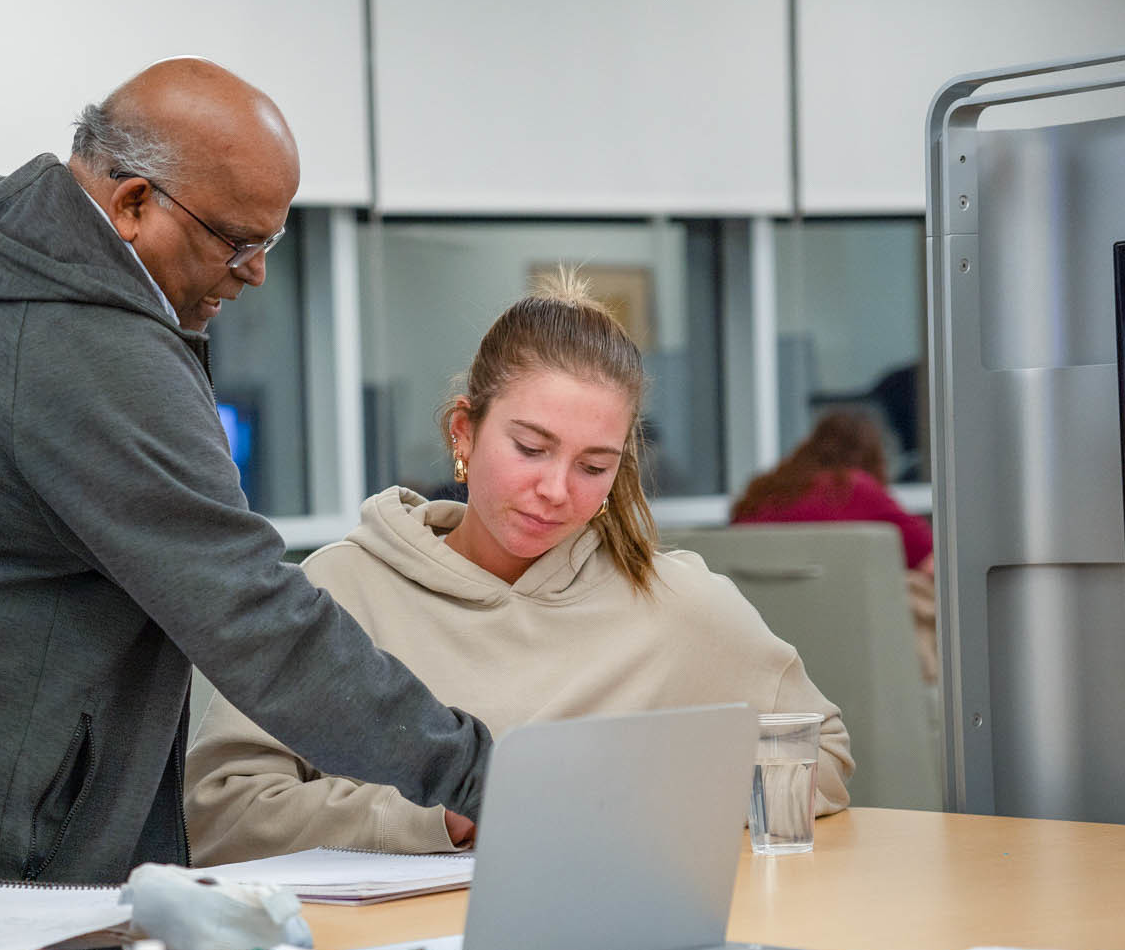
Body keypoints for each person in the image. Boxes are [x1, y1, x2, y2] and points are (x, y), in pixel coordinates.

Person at [0, 57, 491, 898]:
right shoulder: (81, 344)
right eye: (237, 242)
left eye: (271, 242)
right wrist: (481, 777)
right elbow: (253, 617)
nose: (256, 272)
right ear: (134, 203)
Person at [187, 275, 852, 869]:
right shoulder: (341, 589)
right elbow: (219, 814)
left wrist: (640, 799)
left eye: (593, 466)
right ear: (464, 432)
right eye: (531, 448)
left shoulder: (678, 602)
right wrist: (435, 819)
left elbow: (818, 755)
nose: (556, 490)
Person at [731, 409, 938, 682]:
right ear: (873, 456)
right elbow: (934, 564)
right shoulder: (856, 489)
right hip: (848, 650)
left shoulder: (761, 493)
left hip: (761, 644)